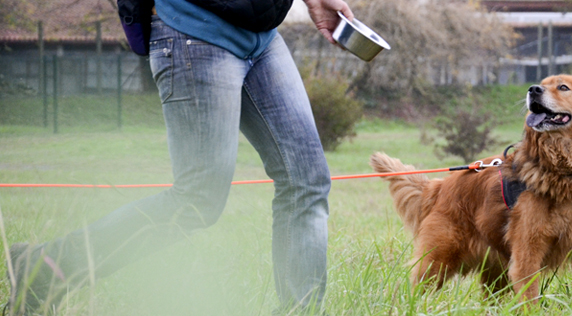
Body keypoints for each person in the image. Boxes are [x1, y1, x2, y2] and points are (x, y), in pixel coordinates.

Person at [6, 0, 353, 314]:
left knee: (306, 180)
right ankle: (43, 271)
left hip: (261, 34)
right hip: (193, 32)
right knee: (198, 198)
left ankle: (301, 310)